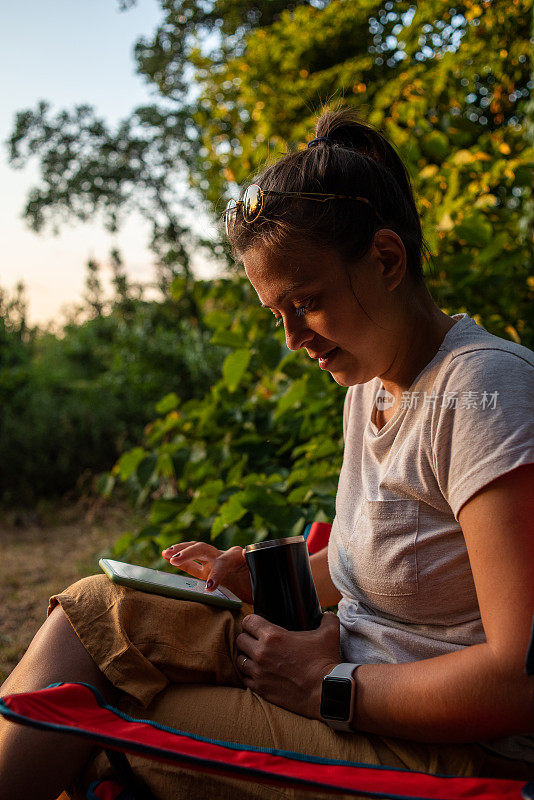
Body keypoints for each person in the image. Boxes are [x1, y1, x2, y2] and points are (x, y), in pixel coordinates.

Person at [1, 107, 533, 800]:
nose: (292, 338)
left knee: (97, 711)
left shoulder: (485, 391)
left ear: (386, 259)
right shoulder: (371, 383)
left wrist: (332, 688)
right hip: (344, 673)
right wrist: (249, 579)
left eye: (305, 303)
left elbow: (519, 678)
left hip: (448, 752)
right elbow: (375, 560)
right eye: (275, 314)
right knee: (96, 612)